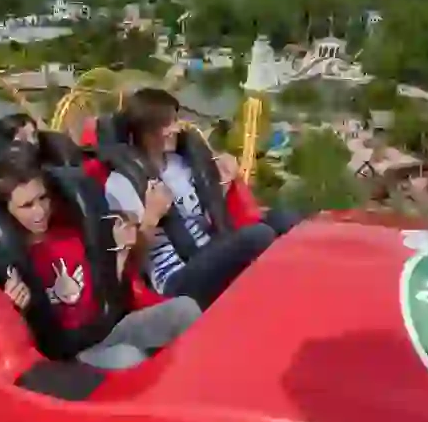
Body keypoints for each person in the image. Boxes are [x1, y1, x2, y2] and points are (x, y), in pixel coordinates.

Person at [0, 144, 201, 370]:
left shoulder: (71, 235)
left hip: (106, 329)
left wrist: (121, 252)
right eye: (27, 206)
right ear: (7, 210)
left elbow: (109, 293)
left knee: (186, 309)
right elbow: (22, 345)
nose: (40, 211)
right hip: (70, 355)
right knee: (128, 358)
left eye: (43, 198)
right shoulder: (14, 261)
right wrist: (14, 309)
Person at [104, 88, 295, 307]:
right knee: (259, 236)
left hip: (209, 250)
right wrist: (150, 219)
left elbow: (204, 213)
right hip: (176, 279)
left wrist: (223, 177)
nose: (177, 129)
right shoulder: (121, 184)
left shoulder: (181, 163)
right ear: (147, 131)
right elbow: (130, 263)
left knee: (284, 219)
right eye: (169, 123)